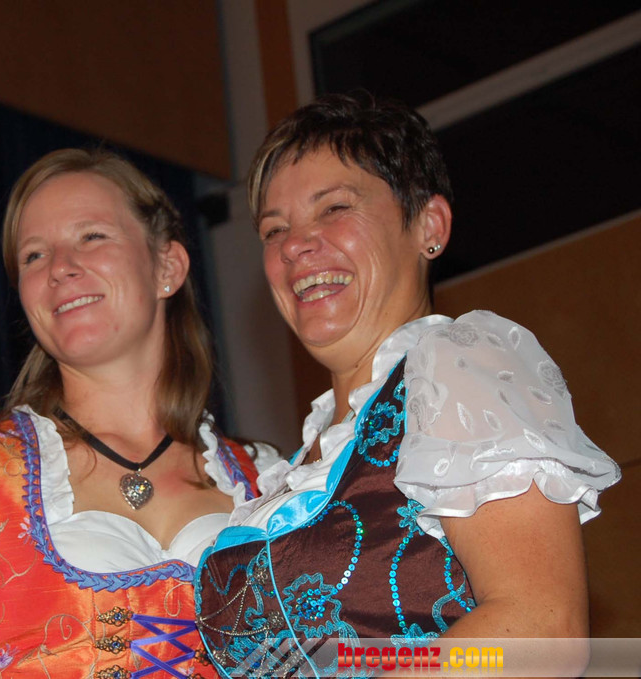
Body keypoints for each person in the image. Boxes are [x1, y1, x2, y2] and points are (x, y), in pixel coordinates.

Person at [193, 93, 621, 677]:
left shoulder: (459, 366)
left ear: (429, 226)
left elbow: (540, 630)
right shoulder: (298, 467)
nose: (294, 245)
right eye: (274, 229)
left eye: (334, 207)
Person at [0, 149, 278, 679]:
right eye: (34, 255)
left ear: (167, 267)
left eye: (91, 236)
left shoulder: (269, 483)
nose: (60, 268)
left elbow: (350, 652)